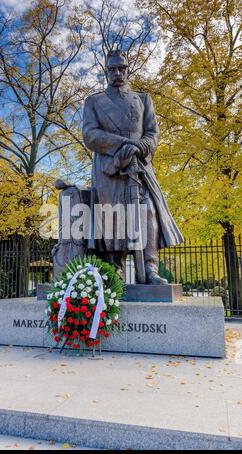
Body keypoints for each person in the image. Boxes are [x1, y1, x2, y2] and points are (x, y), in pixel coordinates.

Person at [82, 49, 183, 284]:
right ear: (106, 71)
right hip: (109, 168)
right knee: (112, 217)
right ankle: (113, 269)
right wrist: (123, 145)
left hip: (139, 166)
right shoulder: (94, 102)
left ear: (128, 69)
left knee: (148, 212)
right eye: (112, 69)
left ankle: (150, 269)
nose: (117, 73)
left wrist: (139, 147)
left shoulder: (143, 99)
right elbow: (90, 134)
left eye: (121, 68)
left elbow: (152, 134)